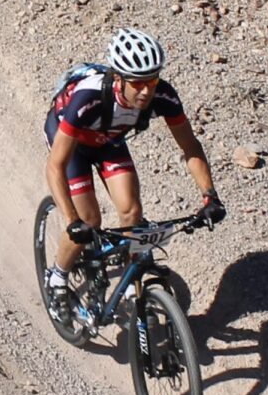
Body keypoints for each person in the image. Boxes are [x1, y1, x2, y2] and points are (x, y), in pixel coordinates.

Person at [42, 28, 223, 310]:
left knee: (132, 212)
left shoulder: (163, 95)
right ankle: (57, 276)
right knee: (88, 221)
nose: (146, 90)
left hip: (108, 139)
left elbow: (190, 147)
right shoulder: (87, 98)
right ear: (118, 78)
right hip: (72, 145)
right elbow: (56, 166)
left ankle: (130, 287)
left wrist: (209, 195)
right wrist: (71, 220)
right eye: (137, 83)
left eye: (152, 80)